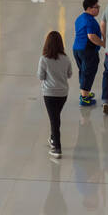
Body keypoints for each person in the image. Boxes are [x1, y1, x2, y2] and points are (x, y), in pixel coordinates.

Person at [38, 30, 74, 158]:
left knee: (54, 120)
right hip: (63, 93)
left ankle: (57, 148)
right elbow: (70, 74)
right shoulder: (66, 58)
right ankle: (53, 138)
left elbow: (40, 76)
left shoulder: (44, 59)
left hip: (49, 93)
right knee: (55, 117)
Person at [72, 0, 104, 107]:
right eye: (97, 7)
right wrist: (104, 44)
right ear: (90, 8)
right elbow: (91, 36)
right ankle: (84, 98)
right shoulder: (89, 20)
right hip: (87, 50)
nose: (98, 9)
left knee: (83, 71)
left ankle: (84, 93)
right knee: (88, 72)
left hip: (77, 49)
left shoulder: (80, 18)